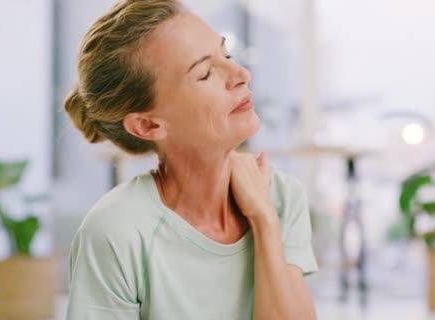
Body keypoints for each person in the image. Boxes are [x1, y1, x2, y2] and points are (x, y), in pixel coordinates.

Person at [64, 1, 318, 319]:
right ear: (148, 125)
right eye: (205, 74)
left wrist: (264, 219)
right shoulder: (116, 231)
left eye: (225, 55)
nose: (240, 74)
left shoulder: (281, 197)